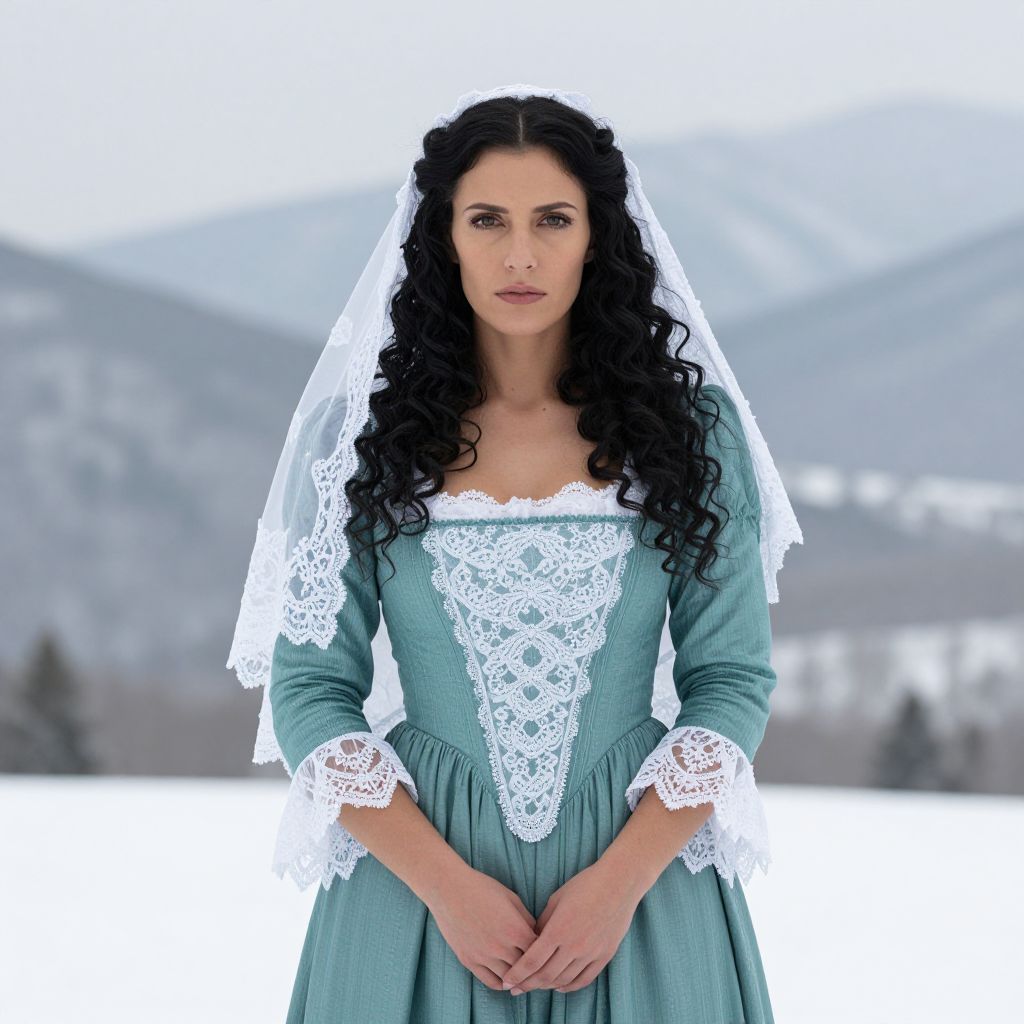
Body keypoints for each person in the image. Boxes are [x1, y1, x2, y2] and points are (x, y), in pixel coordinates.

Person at [227, 83, 803, 1023]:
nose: (521, 254)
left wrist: (617, 886)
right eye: (488, 219)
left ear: (598, 238)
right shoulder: (358, 442)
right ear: (442, 237)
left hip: (644, 905)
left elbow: (731, 680)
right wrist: (447, 889)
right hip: (411, 908)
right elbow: (309, 691)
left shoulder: (691, 435)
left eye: (554, 220)